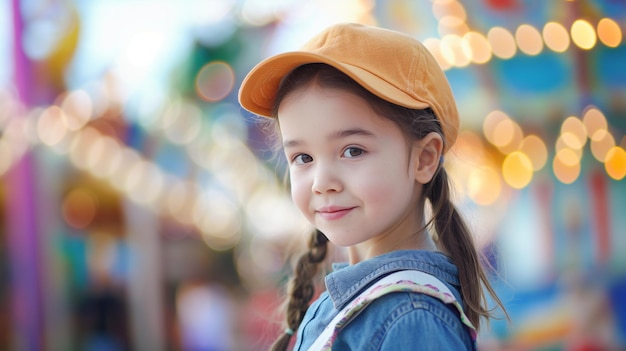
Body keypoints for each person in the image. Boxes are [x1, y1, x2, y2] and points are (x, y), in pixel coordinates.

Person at [238, 22, 507, 350]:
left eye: (353, 151)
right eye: (303, 157)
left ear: (424, 159)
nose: (322, 183)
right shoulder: (357, 304)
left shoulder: (412, 318)